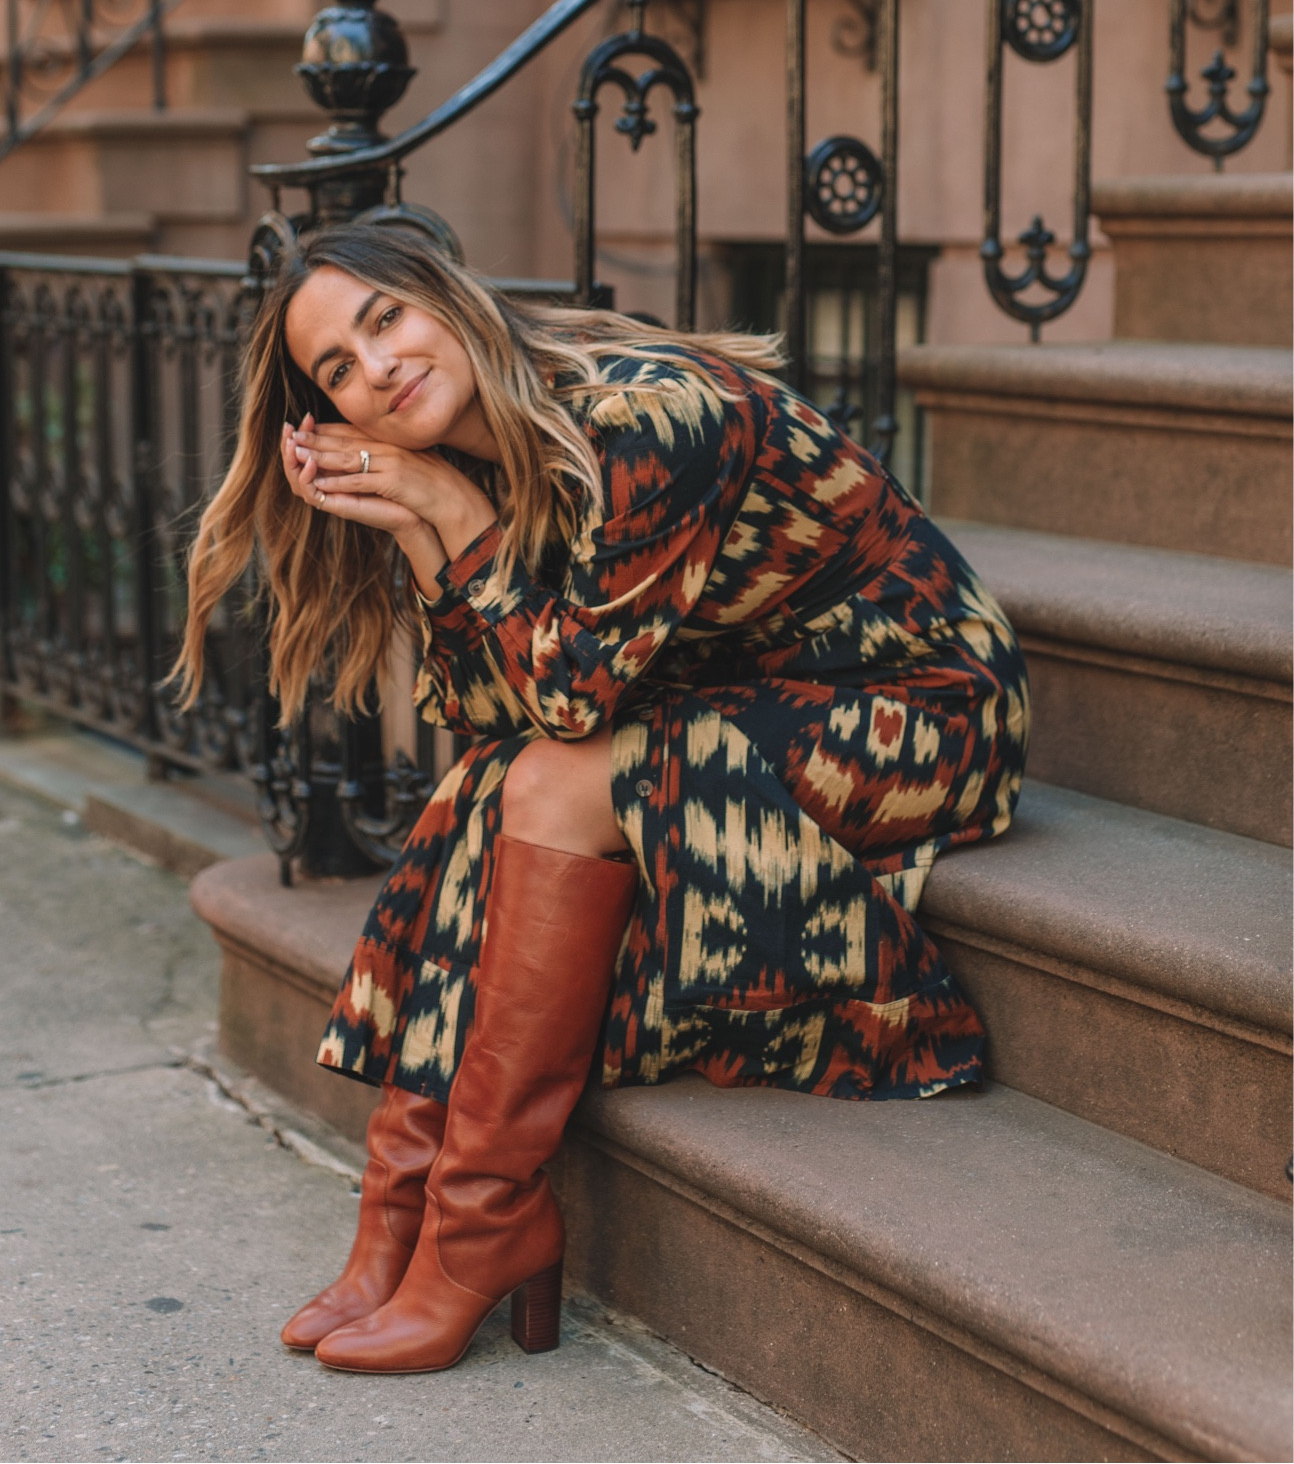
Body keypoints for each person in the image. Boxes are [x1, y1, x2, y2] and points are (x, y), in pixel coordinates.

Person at [175, 219, 1028, 1378]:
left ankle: (478, 1222)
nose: (375, 366)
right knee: (497, 781)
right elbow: (491, 723)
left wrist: (455, 515)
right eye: (337, 368)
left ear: (451, 298)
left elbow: (569, 712)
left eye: (386, 320)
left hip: (917, 712)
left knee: (562, 774)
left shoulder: (648, 417)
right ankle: (409, 1212)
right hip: (746, 704)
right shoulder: (471, 458)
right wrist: (429, 523)